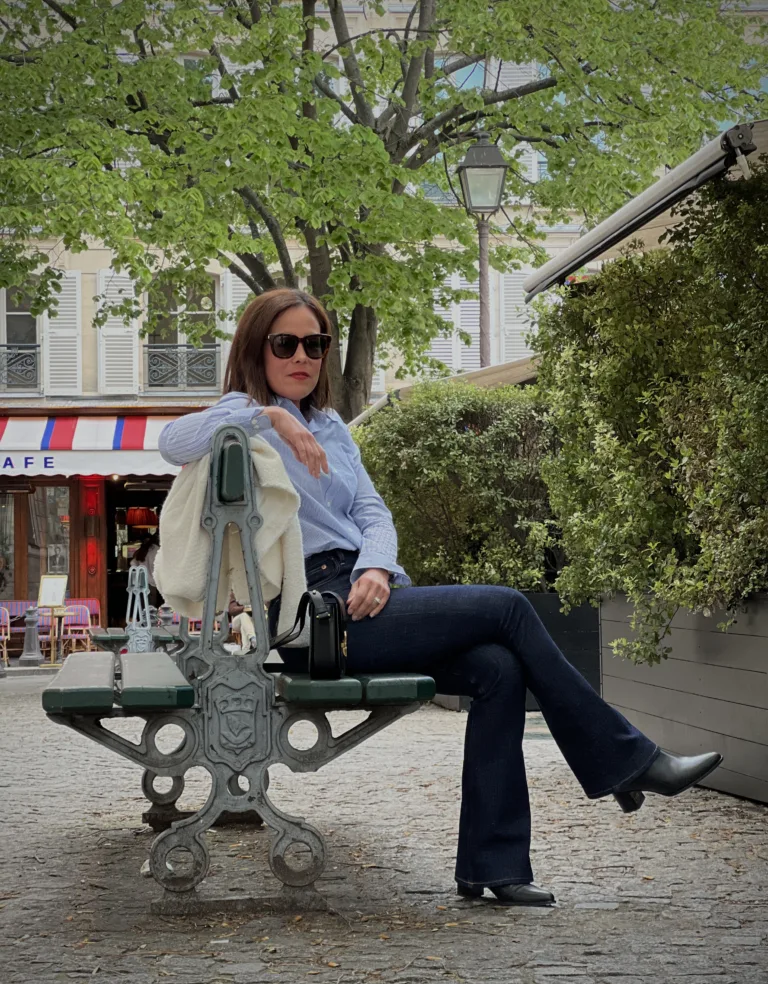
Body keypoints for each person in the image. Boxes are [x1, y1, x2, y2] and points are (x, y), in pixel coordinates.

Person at [159, 289, 722, 907]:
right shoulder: (239, 417)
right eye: (285, 343)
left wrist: (376, 565)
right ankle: (630, 762)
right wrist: (270, 418)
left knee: (498, 669)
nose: (303, 356)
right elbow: (173, 441)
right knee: (508, 605)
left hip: (366, 590)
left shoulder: (333, 427)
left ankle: (493, 867)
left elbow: (372, 511)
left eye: (316, 344)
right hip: (312, 613)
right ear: (255, 348)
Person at [130, 532, 161, 607]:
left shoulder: (141, 551)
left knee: (143, 606)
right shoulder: (156, 550)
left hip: (141, 582)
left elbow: (132, 563)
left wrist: (140, 570)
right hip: (153, 583)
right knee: (152, 607)